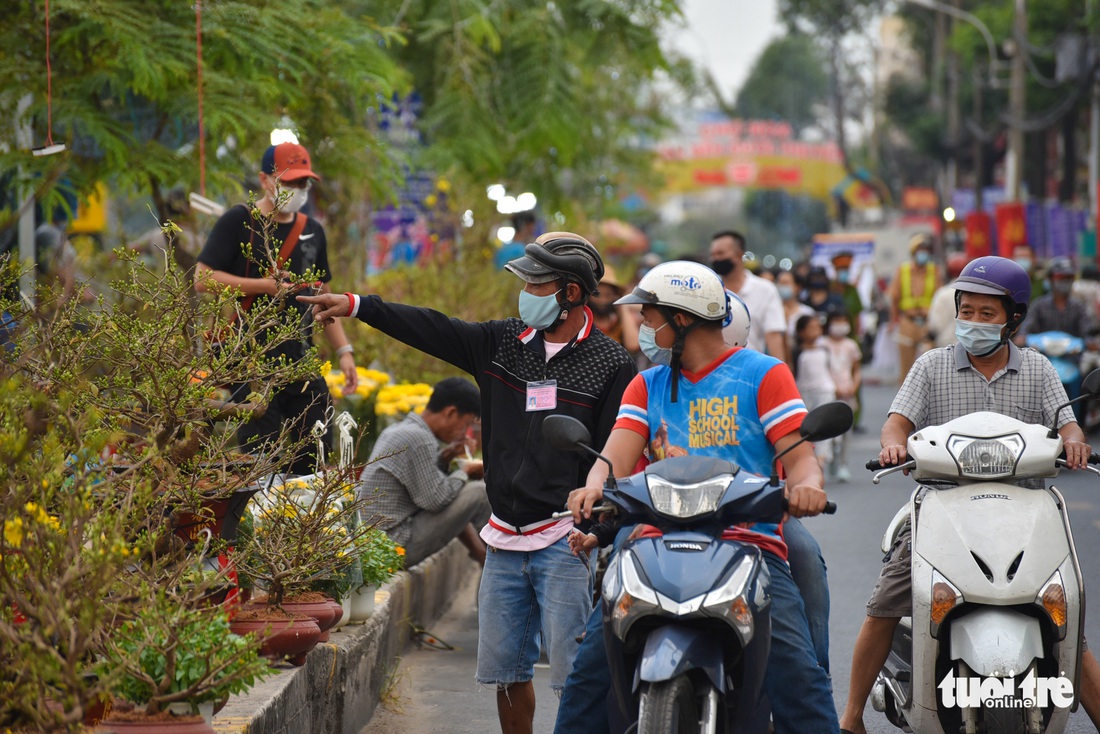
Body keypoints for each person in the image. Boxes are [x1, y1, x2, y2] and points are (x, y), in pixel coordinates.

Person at [299, 232, 636, 734]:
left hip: (565, 538)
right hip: (503, 535)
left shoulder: (611, 365)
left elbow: (616, 456)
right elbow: (431, 327)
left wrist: (599, 529)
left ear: (570, 293)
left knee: (573, 675)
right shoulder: (501, 343)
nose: (525, 290)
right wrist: (356, 305)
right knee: (505, 673)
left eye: (537, 282)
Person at [560, 261, 839, 734]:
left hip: (749, 544)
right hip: (652, 543)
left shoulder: (764, 374)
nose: (643, 327)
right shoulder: (645, 383)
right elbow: (614, 458)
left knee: (798, 678)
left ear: (681, 319)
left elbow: (801, 457)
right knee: (589, 675)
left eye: (649, 316)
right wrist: (591, 485)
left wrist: (807, 486)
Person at [838, 255, 1100, 734]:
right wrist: (894, 444)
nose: (973, 322)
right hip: (942, 508)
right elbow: (897, 421)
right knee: (887, 603)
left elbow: (1066, 422)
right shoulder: (930, 366)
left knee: (1065, 611)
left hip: (1025, 512)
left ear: (1013, 319)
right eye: (966, 311)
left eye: (987, 314)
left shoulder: (1039, 369)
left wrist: (1075, 440)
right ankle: (852, 716)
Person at [194, 142, 358, 475]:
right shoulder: (240, 221)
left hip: (300, 361)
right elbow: (202, 278)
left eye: (303, 184)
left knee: (314, 457)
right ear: (265, 180)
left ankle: (308, 524)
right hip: (252, 365)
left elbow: (323, 295)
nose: (298, 190)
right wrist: (264, 287)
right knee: (259, 463)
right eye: (290, 182)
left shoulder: (313, 231)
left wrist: (344, 350)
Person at [359, 376, 490, 567]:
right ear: (450, 413)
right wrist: (465, 471)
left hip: (379, 541)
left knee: (465, 495)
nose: (465, 433)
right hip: (394, 545)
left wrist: (445, 458)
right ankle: (497, 559)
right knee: (479, 492)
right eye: (466, 424)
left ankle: (484, 557)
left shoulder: (402, 429)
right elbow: (437, 499)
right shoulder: (418, 438)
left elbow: (425, 487)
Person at [709, 230, 787, 360]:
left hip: (751, 370)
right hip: (714, 369)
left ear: (739, 254)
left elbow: (773, 335)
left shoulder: (765, 290)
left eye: (720, 253)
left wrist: (780, 373)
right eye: (713, 254)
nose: (715, 259)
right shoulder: (709, 288)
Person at [889, 234, 942, 384]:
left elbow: (939, 297)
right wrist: (893, 321)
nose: (923, 253)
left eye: (926, 250)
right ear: (913, 252)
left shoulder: (934, 271)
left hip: (927, 323)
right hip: (908, 321)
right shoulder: (903, 270)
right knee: (905, 367)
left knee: (930, 364)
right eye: (920, 250)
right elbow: (894, 297)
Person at [793, 313, 835, 469]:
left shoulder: (824, 350)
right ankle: (808, 456)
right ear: (801, 332)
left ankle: (822, 458)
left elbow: (829, 370)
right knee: (806, 426)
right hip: (804, 392)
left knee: (824, 426)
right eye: (811, 328)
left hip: (824, 391)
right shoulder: (798, 353)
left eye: (817, 327)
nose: (815, 331)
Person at [823, 309, 861, 482]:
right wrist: (832, 386)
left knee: (847, 431)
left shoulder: (851, 345)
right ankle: (830, 457)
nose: (840, 325)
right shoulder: (822, 344)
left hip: (847, 392)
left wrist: (854, 386)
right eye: (836, 321)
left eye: (843, 320)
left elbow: (856, 369)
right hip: (830, 391)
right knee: (828, 429)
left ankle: (843, 463)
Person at [1018, 257, 1094, 340]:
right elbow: (1026, 330)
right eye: (1060, 277)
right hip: (1041, 352)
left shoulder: (1078, 306)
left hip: (1073, 352)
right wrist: (1022, 338)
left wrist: (1090, 341)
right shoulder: (1039, 305)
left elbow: (1087, 333)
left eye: (1069, 277)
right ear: (1050, 279)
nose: (1065, 281)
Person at [587, 264, 640, 356]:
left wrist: (623, 307)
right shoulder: (583, 321)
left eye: (607, 296)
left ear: (614, 296)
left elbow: (633, 345)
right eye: (597, 295)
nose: (602, 301)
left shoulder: (619, 322)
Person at [926, 251, 968, 349]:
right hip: (970, 347)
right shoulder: (976, 294)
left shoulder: (942, 293)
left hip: (945, 346)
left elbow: (934, 325)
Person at [778, 268, 814, 358]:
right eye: (779, 283)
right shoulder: (772, 311)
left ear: (797, 287)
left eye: (786, 283)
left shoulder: (806, 313)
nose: (781, 287)